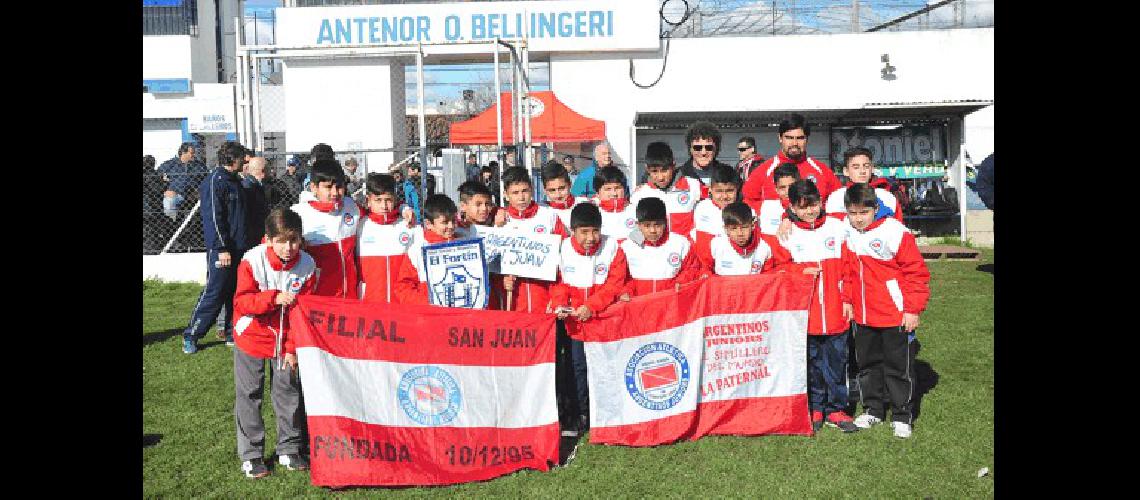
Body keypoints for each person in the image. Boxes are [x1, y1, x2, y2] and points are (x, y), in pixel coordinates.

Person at [230, 207, 316, 478]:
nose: (288, 247)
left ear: (300, 239)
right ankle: (252, 454)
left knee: (288, 393)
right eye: (280, 241)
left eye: (293, 240)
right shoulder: (251, 261)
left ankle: (289, 449)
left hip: (285, 341)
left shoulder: (308, 266)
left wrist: (292, 349)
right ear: (267, 239)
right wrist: (272, 298)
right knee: (250, 395)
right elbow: (241, 302)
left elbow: (304, 313)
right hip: (251, 337)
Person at [841, 183, 931, 439]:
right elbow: (848, 272)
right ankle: (873, 409)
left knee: (898, 367)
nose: (858, 219)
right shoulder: (848, 232)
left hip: (894, 314)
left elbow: (916, 274)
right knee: (868, 365)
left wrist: (912, 309)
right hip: (863, 315)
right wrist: (848, 300)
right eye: (853, 213)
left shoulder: (895, 232)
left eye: (863, 212)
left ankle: (903, 415)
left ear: (875, 209)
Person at [776, 180, 858, 433]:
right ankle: (815, 406)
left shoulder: (837, 227)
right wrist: (800, 270)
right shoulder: (786, 234)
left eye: (814, 204)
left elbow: (850, 267)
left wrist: (848, 300)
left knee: (836, 361)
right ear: (792, 208)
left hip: (835, 311)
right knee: (810, 363)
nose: (810, 210)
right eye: (803, 207)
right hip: (806, 314)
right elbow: (779, 269)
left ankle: (836, 408)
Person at [550, 203, 629, 435]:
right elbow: (557, 282)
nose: (590, 237)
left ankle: (599, 413)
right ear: (573, 231)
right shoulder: (562, 248)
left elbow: (615, 283)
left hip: (601, 319)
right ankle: (576, 414)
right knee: (573, 366)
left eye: (595, 231)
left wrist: (591, 306)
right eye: (584, 232)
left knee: (602, 367)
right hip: (572, 321)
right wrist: (560, 304)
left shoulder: (612, 246)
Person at [180, 141, 251, 354]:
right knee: (215, 291)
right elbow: (214, 218)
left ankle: (231, 332)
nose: (245, 161)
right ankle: (192, 335)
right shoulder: (215, 182)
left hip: (240, 248)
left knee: (236, 292)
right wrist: (221, 248)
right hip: (223, 249)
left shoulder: (236, 181)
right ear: (233, 159)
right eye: (242, 157)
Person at [494, 166, 569, 313]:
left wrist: (558, 300)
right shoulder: (500, 221)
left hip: (545, 301)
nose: (521, 197)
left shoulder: (549, 216)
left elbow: (564, 257)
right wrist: (502, 280)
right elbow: (493, 263)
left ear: (532, 189)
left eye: (525, 191)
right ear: (505, 194)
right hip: (514, 301)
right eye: (515, 193)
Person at [290, 159, 361, 299]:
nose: (335, 193)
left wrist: (403, 208)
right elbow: (273, 242)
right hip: (320, 298)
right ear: (314, 187)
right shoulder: (298, 214)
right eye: (328, 187)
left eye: (339, 186)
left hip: (350, 295)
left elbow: (378, 213)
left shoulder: (351, 206)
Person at [742, 113, 843, 208]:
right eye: (789, 138)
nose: (794, 143)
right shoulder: (764, 171)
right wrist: (773, 213)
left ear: (807, 140)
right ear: (780, 138)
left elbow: (839, 202)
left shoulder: (821, 170)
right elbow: (748, 202)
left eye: (800, 138)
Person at [618, 197, 704, 299]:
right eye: (647, 226)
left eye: (657, 225)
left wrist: (682, 282)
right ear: (638, 225)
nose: (653, 230)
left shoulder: (681, 243)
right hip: (639, 306)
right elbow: (622, 278)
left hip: (670, 305)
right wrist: (625, 292)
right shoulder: (627, 247)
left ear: (665, 222)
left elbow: (692, 268)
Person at [358, 173, 417, 304]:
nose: (384, 206)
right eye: (378, 200)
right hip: (371, 304)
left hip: (402, 304)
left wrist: (404, 208)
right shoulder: (360, 226)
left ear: (395, 199)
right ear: (368, 200)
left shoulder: (408, 226)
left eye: (388, 200)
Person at [394, 194, 463, 305]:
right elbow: (403, 288)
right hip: (431, 315)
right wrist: (427, 303)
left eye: (453, 221)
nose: (450, 226)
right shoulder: (418, 250)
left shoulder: (464, 244)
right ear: (429, 224)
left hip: (461, 313)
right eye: (445, 222)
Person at [629, 142, 706, 240]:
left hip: (686, 252)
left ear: (673, 165)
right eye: (654, 171)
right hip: (657, 252)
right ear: (647, 169)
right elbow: (634, 231)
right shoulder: (639, 195)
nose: (660, 177)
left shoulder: (693, 185)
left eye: (664, 170)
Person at [695, 202, 784, 276]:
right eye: (733, 229)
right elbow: (706, 268)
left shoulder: (764, 248)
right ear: (726, 229)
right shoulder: (716, 245)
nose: (740, 234)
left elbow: (767, 277)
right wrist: (706, 275)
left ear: (752, 226)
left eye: (744, 227)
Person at [824, 147, 903, 222]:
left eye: (866, 166)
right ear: (846, 171)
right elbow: (833, 229)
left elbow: (899, 228)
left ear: (872, 169)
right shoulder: (837, 197)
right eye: (856, 167)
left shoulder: (886, 196)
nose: (862, 171)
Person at [690, 164, 748, 258]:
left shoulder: (746, 209)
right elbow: (700, 244)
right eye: (719, 191)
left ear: (737, 189)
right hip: (708, 265)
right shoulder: (702, 208)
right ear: (710, 189)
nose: (724, 196)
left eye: (729, 191)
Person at [158, 142, 208, 219]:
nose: (194, 155)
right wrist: (165, 190)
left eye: (194, 153)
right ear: (183, 153)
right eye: (191, 153)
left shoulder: (199, 166)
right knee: (169, 202)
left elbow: (207, 180)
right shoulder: (170, 164)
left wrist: (199, 192)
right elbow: (157, 178)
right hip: (176, 195)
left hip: (193, 195)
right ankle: (172, 224)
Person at [678, 121, 735, 186]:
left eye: (709, 147)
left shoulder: (730, 174)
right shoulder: (677, 176)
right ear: (690, 149)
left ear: (716, 149)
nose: (703, 152)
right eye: (697, 147)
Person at [592, 166, 638, 241]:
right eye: (608, 189)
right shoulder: (593, 213)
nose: (613, 193)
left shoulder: (635, 211)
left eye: (617, 188)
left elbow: (642, 238)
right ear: (598, 193)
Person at [757, 163, 800, 235]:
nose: (787, 191)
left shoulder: (810, 207)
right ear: (776, 189)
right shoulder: (766, 207)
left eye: (791, 186)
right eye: (782, 187)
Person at [540, 160, 583, 229]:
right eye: (552, 190)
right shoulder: (541, 213)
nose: (558, 195)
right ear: (545, 191)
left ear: (570, 184)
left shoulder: (585, 205)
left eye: (562, 188)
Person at [242, 157, 271, 248]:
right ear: (263, 171)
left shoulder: (256, 186)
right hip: (252, 236)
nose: (271, 172)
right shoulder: (249, 188)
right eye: (269, 169)